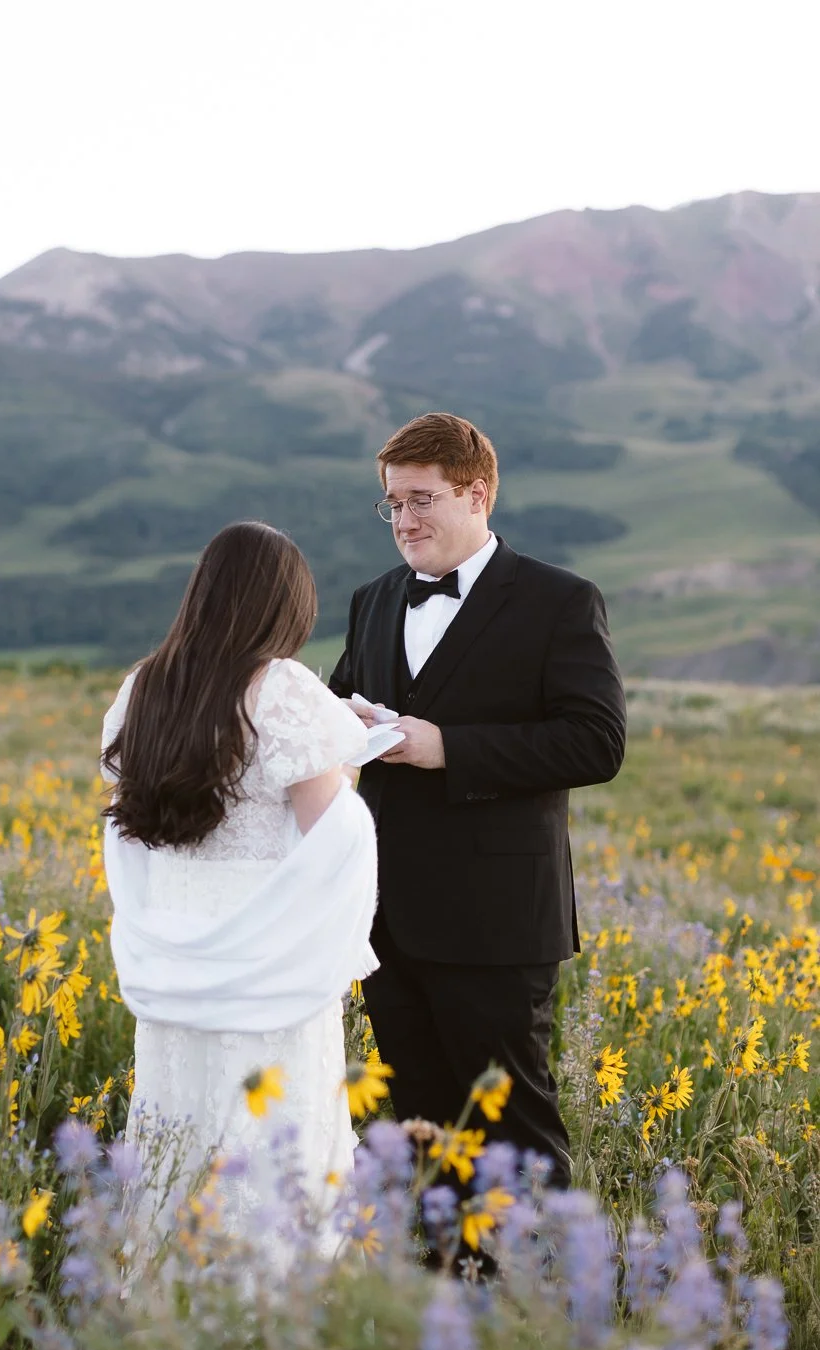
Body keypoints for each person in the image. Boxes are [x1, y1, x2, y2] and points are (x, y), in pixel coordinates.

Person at [329, 412, 627, 1192]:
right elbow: (332, 706)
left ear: (478, 494)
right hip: (386, 916)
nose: (404, 520)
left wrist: (447, 747)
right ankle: (441, 1296)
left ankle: (539, 1298)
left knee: (514, 1127)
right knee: (416, 1128)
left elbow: (597, 743)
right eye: (392, 503)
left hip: (497, 919)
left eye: (422, 499)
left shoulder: (559, 600)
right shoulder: (373, 599)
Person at [101, 522, 378, 1265]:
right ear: (281, 605)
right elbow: (331, 835)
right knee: (277, 1116)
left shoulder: (146, 686)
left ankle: (171, 1283)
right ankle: (269, 1305)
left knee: (178, 1114)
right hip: (267, 951)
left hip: (174, 945)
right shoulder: (285, 689)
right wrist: (337, 748)